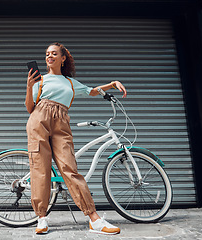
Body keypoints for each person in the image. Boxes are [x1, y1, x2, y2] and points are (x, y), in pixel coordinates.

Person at [25, 42, 127, 235]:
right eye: (47, 54)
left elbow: (93, 90)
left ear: (63, 58)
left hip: (61, 122)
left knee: (70, 169)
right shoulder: (40, 80)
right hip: (39, 119)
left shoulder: (71, 83)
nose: (50, 56)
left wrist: (112, 84)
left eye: (54, 53)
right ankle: (41, 218)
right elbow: (30, 108)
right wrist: (29, 86)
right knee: (40, 169)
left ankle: (94, 219)